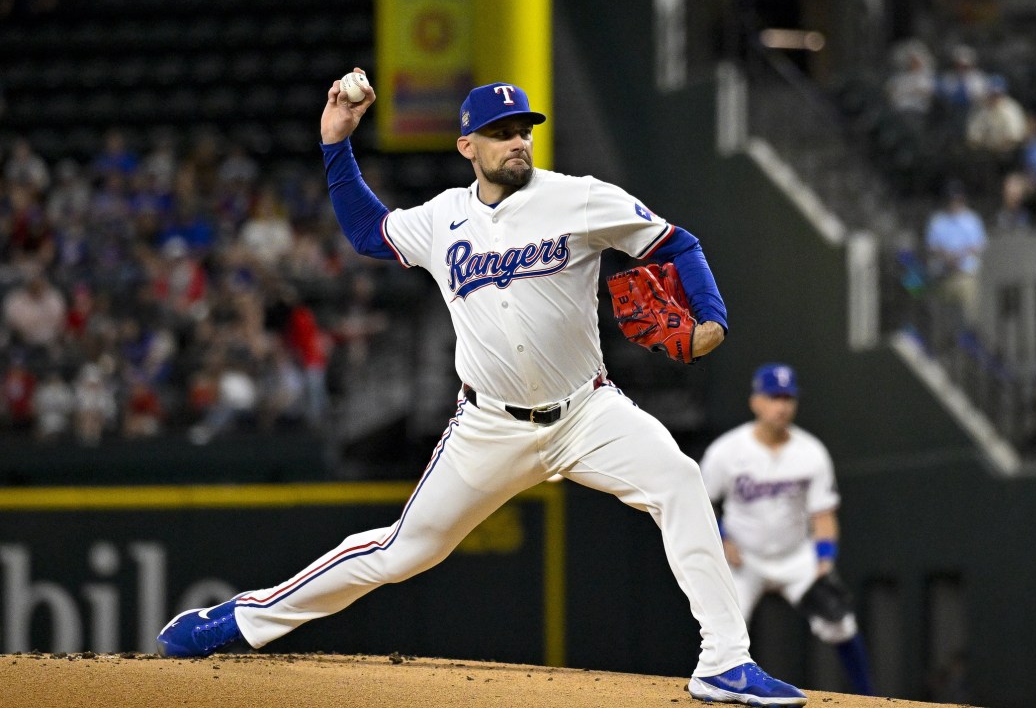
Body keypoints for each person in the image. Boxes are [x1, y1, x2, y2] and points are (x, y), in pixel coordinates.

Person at [155, 73, 808, 706]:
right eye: (500, 132)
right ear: (468, 146)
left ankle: (725, 661)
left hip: (587, 412)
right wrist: (336, 144)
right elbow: (365, 231)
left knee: (680, 480)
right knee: (400, 552)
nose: (516, 141)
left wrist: (711, 318)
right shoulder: (442, 219)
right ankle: (240, 620)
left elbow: (676, 242)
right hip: (489, 427)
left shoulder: (577, 198)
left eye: (522, 129)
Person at [698, 364, 874, 696]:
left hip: (796, 556)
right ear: (756, 402)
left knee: (840, 623)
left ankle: (871, 699)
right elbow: (700, 503)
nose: (782, 405)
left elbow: (823, 514)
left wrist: (825, 557)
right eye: (774, 396)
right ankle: (712, 692)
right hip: (744, 560)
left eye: (788, 397)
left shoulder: (811, 452)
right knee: (724, 631)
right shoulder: (726, 451)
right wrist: (722, 536)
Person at [923, 179, 987, 327]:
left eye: (956, 198)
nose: (953, 202)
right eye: (950, 198)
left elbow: (978, 246)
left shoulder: (972, 220)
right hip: (944, 276)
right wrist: (947, 257)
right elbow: (931, 246)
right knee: (943, 320)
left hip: (966, 275)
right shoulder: (937, 221)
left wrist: (959, 256)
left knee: (969, 319)